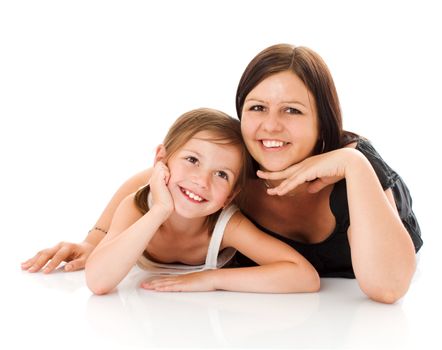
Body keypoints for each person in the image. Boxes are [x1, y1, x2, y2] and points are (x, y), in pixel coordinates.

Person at [22, 44, 422, 303]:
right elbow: (149, 179)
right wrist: (95, 241)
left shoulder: (356, 172)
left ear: (324, 121)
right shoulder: (234, 170)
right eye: (257, 108)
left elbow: (387, 288)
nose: (271, 127)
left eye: (293, 111)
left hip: (366, 191)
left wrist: (353, 165)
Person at [75, 108, 321, 294]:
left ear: (231, 196)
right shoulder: (137, 208)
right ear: (161, 158)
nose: (202, 181)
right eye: (192, 160)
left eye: (222, 174)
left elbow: (305, 277)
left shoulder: (226, 226)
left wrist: (210, 279)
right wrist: (159, 210)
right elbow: (97, 282)